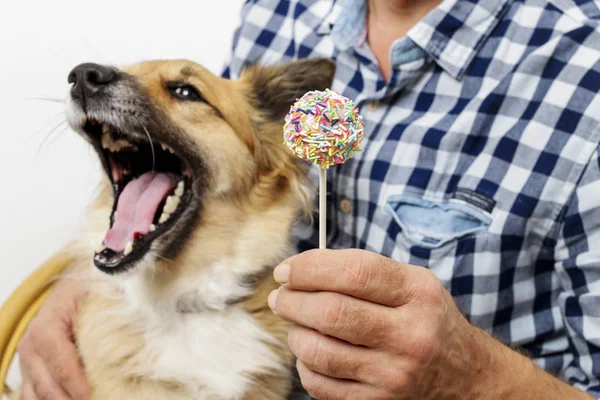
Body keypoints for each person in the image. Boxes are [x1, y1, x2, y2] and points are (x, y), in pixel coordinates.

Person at [16, 0, 600, 398]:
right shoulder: (280, 7)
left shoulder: (584, 65)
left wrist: (470, 379)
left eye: (180, 89)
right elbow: (205, 169)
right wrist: (95, 274)